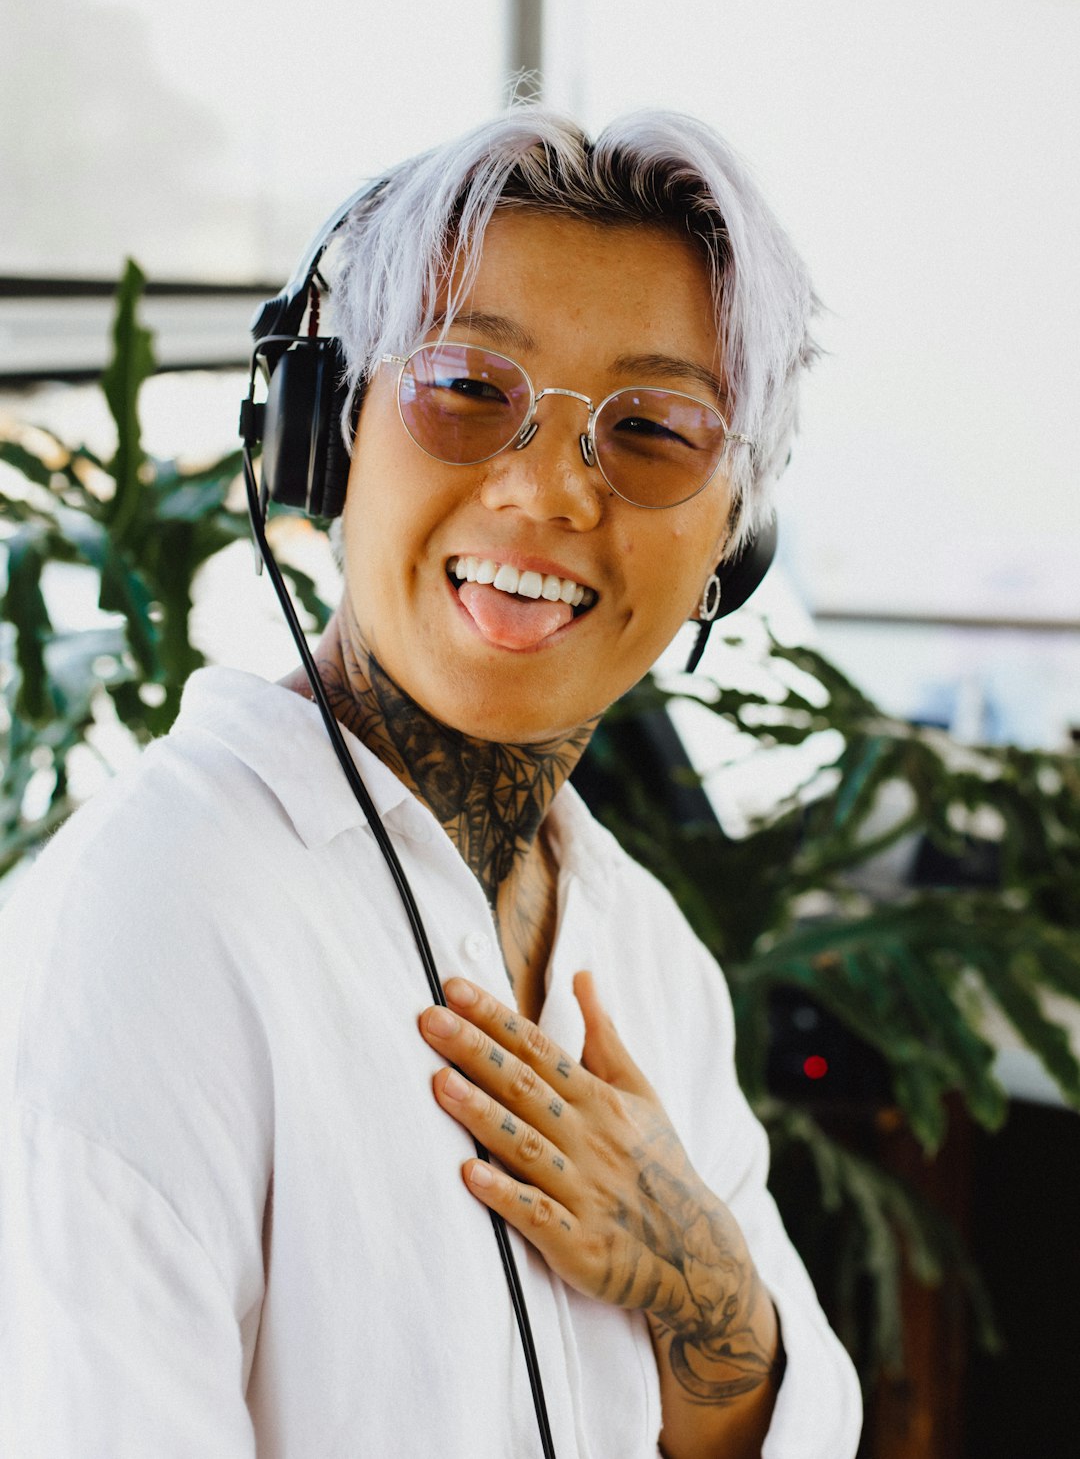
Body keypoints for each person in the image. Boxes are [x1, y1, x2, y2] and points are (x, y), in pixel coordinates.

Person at [0, 107, 862, 1457]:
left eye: (652, 430)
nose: (549, 493)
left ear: (727, 549)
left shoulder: (646, 955)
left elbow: (777, 1425)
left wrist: (704, 1283)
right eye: (467, 390)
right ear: (327, 435)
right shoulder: (148, 917)